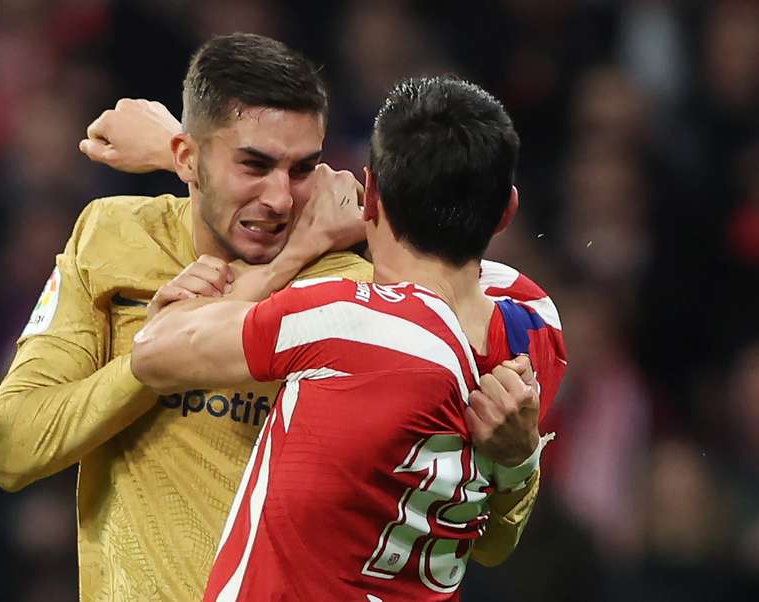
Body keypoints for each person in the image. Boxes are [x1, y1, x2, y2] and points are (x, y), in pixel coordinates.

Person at [0, 33, 542, 601]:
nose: (279, 199)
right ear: (185, 158)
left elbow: (473, 535)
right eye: (254, 164)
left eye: (302, 170)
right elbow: (12, 447)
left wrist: (518, 464)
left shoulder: (358, 294)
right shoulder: (112, 236)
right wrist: (147, 364)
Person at [130, 75, 566, 601]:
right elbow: (493, 545)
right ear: (506, 213)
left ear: (373, 194)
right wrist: (519, 461)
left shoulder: (348, 323)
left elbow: (153, 352)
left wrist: (301, 242)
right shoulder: (537, 328)